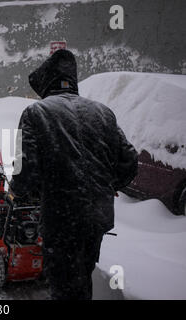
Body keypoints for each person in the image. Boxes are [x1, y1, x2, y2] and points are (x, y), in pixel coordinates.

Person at [9, 49, 138, 300]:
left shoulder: (36, 113)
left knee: (63, 286)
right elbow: (130, 161)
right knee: (82, 277)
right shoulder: (102, 112)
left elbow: (25, 172)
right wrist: (108, 184)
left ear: (46, 83)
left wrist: (16, 191)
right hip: (97, 217)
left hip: (61, 218)